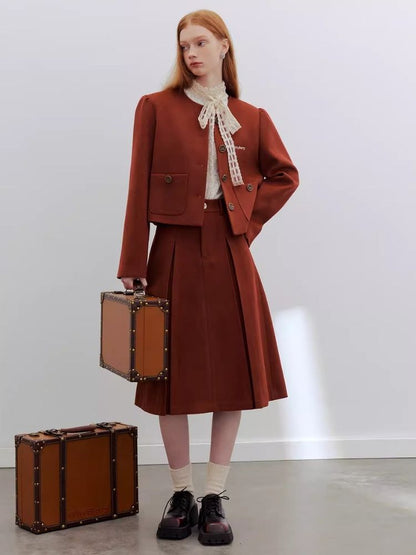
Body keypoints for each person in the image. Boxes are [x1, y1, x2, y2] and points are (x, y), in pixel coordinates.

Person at [117, 9, 299, 546]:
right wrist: (133, 262)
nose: (191, 53)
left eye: (200, 43)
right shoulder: (155, 108)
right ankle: (182, 494)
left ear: (224, 46)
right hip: (171, 249)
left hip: (230, 250)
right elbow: (136, 186)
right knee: (166, 375)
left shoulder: (252, 116)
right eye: (183, 45)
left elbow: (285, 175)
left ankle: (215, 495)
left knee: (231, 375)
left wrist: (243, 218)